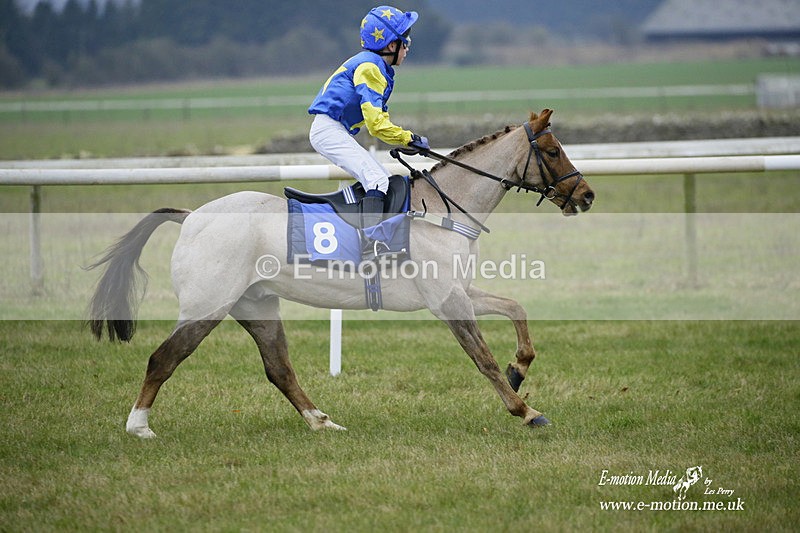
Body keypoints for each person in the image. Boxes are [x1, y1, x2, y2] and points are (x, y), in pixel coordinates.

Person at [308, 5, 429, 253]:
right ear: (391, 45)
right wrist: (408, 138)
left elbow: (378, 119)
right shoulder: (370, 68)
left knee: (372, 177)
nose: (408, 47)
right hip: (328, 131)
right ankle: (372, 244)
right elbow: (376, 125)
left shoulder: (373, 65)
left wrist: (406, 140)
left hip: (334, 130)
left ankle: (357, 238)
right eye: (405, 41)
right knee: (377, 179)